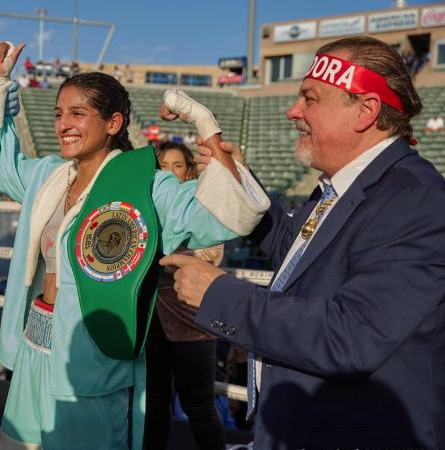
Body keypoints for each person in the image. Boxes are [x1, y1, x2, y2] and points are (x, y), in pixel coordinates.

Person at [0, 40, 269, 450]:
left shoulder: (146, 186)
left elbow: (219, 217)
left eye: (78, 113)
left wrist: (202, 121)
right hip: (35, 341)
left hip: (94, 360)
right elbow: (2, 159)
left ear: (114, 122)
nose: (63, 124)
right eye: (59, 114)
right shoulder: (49, 175)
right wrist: (0, 82)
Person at [162, 36, 445, 448]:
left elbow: (351, 336)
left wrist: (218, 294)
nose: (293, 111)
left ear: (366, 110)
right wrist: (239, 180)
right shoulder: (344, 186)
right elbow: (295, 253)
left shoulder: (416, 200)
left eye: (310, 99)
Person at [144, 141, 226, 450]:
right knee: (154, 404)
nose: (168, 172)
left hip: (192, 320)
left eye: (176, 165)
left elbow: (210, 253)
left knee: (200, 407)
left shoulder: (201, 203)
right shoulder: (145, 206)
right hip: (154, 318)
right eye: (162, 165)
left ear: (188, 170)